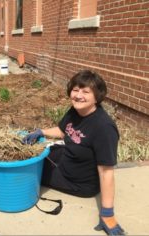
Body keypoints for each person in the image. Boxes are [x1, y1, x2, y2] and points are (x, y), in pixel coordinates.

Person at [23, 70, 125, 235]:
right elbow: (64, 131)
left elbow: (106, 172)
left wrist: (108, 213)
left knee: (30, 173)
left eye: (86, 92)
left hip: (78, 182)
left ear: (97, 97)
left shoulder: (104, 128)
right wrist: (41, 132)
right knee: (35, 154)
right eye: (75, 90)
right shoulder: (76, 110)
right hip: (68, 158)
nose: (78, 95)